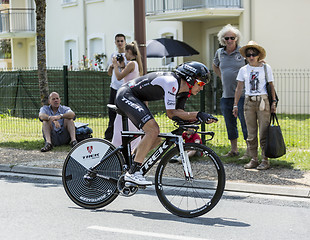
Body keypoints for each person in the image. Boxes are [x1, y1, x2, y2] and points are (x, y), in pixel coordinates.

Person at [115, 61, 218, 185]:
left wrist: (198, 118)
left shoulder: (184, 91)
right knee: (153, 130)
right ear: (190, 80)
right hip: (126, 94)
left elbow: (179, 112)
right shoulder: (172, 82)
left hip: (136, 97)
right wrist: (198, 114)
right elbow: (171, 113)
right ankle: (133, 172)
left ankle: (131, 160)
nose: (201, 88)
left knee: (156, 139)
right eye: (200, 83)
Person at [233, 41, 277, 170]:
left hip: (263, 101)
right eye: (248, 54)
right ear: (245, 57)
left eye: (254, 54)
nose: (251, 57)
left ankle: (265, 159)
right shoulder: (243, 70)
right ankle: (254, 159)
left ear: (259, 55)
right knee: (251, 133)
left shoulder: (265, 68)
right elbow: (239, 88)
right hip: (248, 101)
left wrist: (273, 102)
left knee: (264, 131)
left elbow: (271, 86)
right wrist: (235, 105)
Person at [213, 24, 249, 158]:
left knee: (245, 122)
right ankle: (234, 150)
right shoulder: (219, 53)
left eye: (232, 38)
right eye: (226, 38)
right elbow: (215, 65)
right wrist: (222, 76)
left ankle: (249, 151)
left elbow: (251, 65)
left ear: (236, 39)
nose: (229, 41)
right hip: (226, 95)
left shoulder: (242, 52)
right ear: (223, 39)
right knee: (230, 123)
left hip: (243, 95)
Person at [112, 41, 143, 149]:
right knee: (126, 122)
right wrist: (121, 66)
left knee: (119, 123)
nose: (125, 54)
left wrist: (115, 65)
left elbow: (119, 76)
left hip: (126, 95)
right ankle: (129, 147)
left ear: (131, 52)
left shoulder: (131, 64)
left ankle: (117, 146)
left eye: (126, 51)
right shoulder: (134, 64)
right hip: (132, 95)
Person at [104, 33, 127, 141]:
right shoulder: (113, 55)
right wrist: (112, 66)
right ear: (115, 42)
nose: (120, 43)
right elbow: (109, 73)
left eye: (121, 41)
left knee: (124, 113)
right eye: (118, 41)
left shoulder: (128, 56)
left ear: (125, 42)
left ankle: (124, 135)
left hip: (124, 88)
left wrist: (121, 64)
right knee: (112, 113)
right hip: (114, 87)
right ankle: (109, 137)